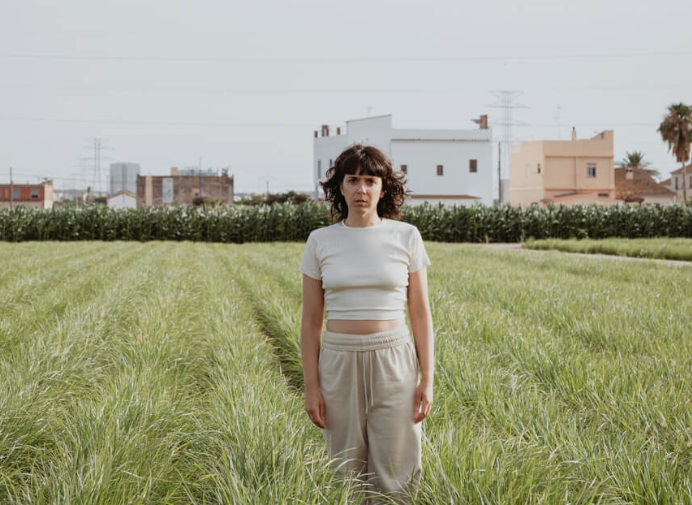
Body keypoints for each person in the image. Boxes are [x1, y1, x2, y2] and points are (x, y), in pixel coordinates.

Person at [299, 144, 434, 504]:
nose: (362, 190)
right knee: (345, 472)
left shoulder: (406, 236)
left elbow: (420, 314)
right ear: (339, 187)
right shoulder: (320, 242)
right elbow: (311, 323)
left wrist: (427, 379)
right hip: (339, 361)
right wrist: (311, 388)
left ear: (383, 187)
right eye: (353, 180)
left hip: (394, 360)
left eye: (370, 181)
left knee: (398, 468)